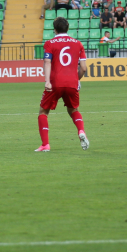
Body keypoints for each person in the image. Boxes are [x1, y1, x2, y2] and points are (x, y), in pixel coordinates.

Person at [35, 17, 89, 152]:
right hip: (72, 83)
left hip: (55, 83)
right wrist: (77, 80)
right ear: (68, 28)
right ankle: (81, 131)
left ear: (54, 29)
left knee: (43, 111)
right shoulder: (78, 44)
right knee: (73, 110)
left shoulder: (50, 43)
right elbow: (83, 68)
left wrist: (47, 81)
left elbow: (47, 62)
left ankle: (45, 145)